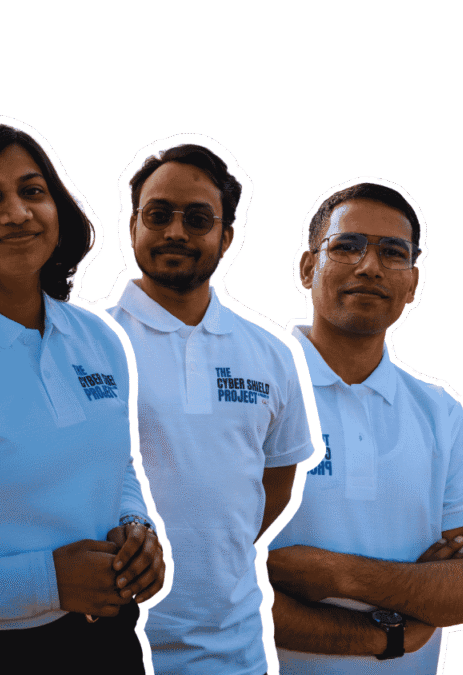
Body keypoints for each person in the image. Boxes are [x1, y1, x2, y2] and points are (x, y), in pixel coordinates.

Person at [0, 124, 164, 672]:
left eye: (33, 191)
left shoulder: (100, 339)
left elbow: (118, 466)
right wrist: (45, 582)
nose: (17, 213)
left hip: (108, 645)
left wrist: (137, 528)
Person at [265, 182, 463, 672]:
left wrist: (339, 575)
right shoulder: (253, 395)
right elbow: (213, 588)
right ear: (306, 267)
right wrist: (401, 625)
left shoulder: (439, 415)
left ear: (412, 283)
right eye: (347, 246)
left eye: (392, 252)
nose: (369, 266)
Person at [108, 143, 316, 675]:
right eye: (159, 215)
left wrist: (213, 551)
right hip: (107, 642)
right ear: (133, 225)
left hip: (233, 651)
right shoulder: (90, 342)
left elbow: (276, 479)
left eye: (198, 219)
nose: (176, 231)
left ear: (225, 237)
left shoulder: (271, 354)